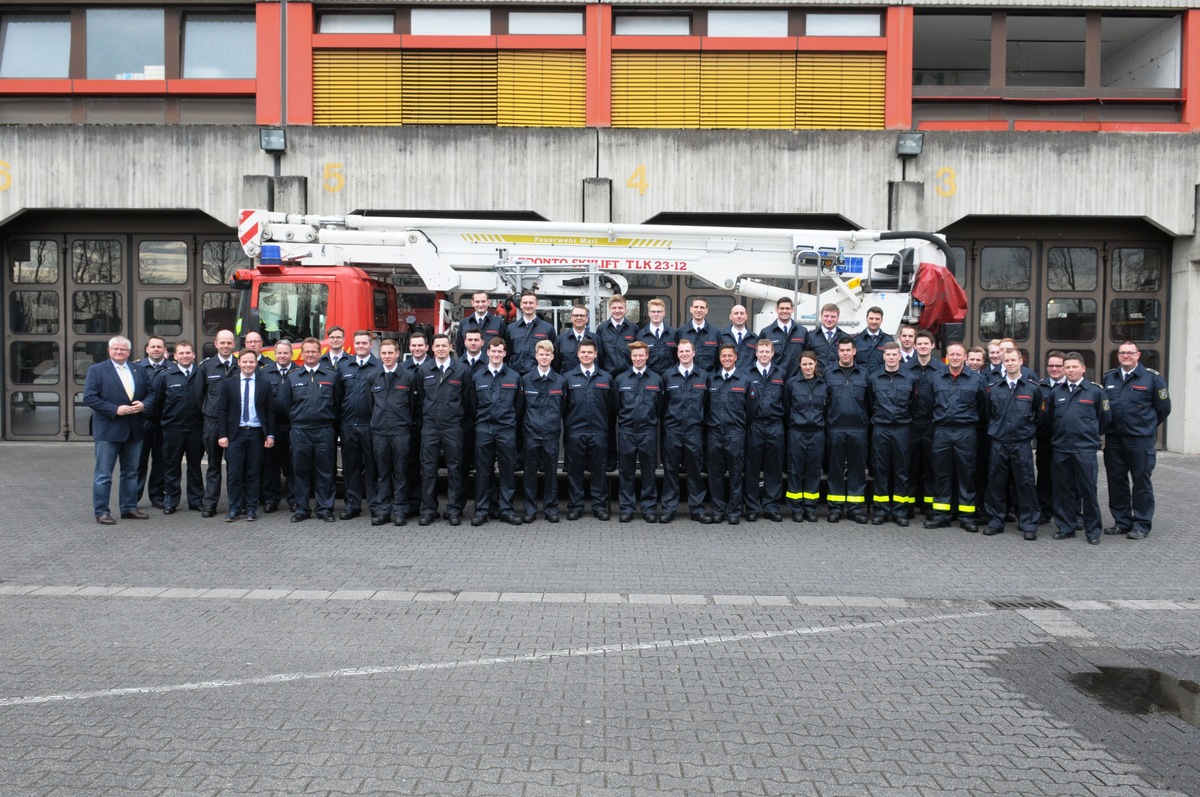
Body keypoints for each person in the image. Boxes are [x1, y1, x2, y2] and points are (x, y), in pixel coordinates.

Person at [1102, 341, 1171, 539]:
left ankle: (1141, 524)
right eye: (1122, 353)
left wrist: (1146, 426)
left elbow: (1163, 408)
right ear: (1118, 355)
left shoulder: (1152, 378)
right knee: (1116, 481)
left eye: (1130, 353)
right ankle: (1122, 521)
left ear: (1138, 355)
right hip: (1114, 438)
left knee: (1141, 482)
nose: (1126, 356)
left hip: (1139, 440)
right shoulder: (1109, 377)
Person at [1045, 352, 1112, 545]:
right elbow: (1049, 418)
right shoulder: (1056, 392)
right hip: (1061, 449)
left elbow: (1105, 419)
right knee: (1062, 490)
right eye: (1068, 367)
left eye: (1075, 367)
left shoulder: (1095, 391)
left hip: (1084, 449)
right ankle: (1066, 527)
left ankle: (1092, 531)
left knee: (1088, 490)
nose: (1071, 370)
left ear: (1083, 368)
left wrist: (1089, 435)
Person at [83, 335, 151, 525]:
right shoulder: (96, 370)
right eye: (115, 349)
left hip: (134, 429)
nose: (119, 352)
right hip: (108, 430)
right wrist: (115, 409)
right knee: (104, 475)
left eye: (123, 349)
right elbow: (89, 397)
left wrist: (144, 404)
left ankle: (129, 508)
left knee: (131, 473)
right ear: (109, 350)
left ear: (129, 352)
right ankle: (102, 512)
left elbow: (151, 393)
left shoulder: (139, 370)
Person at [982, 348, 1044, 540]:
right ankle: (995, 521)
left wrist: (1027, 432)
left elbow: (1040, 417)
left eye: (1012, 360)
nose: (1009, 363)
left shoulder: (1033, 388)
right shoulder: (994, 388)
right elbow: (988, 414)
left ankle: (1029, 523)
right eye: (1006, 360)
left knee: (1025, 483)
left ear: (1020, 361)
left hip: (1021, 443)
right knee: (996, 483)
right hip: (999, 442)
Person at [925, 342, 987, 533]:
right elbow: (929, 404)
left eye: (959, 354)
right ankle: (942, 515)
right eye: (951, 354)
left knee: (966, 474)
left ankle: (966, 516)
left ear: (965, 358)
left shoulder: (977, 380)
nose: (955, 357)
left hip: (966, 431)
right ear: (946, 357)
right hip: (942, 431)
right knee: (941, 473)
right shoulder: (936, 378)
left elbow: (984, 408)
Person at [281, 337, 342, 522]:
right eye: (306, 351)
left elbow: (337, 403)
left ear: (320, 353)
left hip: (324, 430)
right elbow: (287, 405)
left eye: (313, 351)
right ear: (302, 353)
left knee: (325, 471)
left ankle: (324, 509)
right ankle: (302, 509)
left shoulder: (331, 375)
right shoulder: (292, 377)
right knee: (300, 471)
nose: (309, 354)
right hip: (300, 430)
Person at [216, 350, 276, 522]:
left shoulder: (264, 384)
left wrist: (270, 435)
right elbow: (222, 410)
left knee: (253, 473)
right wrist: (222, 434)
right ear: (239, 363)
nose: (248, 365)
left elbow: (270, 411)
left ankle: (251, 508)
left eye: (251, 362)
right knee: (234, 473)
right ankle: (234, 508)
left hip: (256, 433)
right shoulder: (229, 384)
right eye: (245, 362)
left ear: (256, 363)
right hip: (236, 434)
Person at [470, 336, 524, 526]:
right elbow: (472, 405)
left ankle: (506, 509)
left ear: (504, 353)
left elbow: (519, 406)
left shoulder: (514, 376)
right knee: (483, 472)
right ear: (488, 353)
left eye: (499, 351)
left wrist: (508, 421)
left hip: (506, 429)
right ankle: (482, 510)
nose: (496, 354)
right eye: (493, 351)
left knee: (507, 471)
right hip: (484, 428)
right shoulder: (477, 376)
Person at [418, 333, 470, 526]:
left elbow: (467, 399)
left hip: (452, 426)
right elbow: (419, 399)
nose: (440, 349)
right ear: (432, 348)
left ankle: (454, 510)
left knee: (455, 469)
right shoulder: (424, 370)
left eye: (444, 345)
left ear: (450, 347)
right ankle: (429, 510)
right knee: (429, 469)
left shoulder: (461, 370)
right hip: (430, 427)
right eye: (437, 345)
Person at [867, 342, 917, 527]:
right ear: (883, 356)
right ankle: (880, 511)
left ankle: (900, 511)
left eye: (894, 354)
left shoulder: (910, 378)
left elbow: (914, 404)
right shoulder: (874, 378)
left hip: (902, 429)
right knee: (880, 470)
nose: (891, 357)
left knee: (901, 471)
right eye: (888, 354)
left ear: (899, 356)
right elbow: (870, 403)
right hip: (881, 429)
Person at [563, 339, 614, 521]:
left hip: (599, 431)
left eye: (589, 352)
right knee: (575, 471)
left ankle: (598, 506)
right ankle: (575, 506)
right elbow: (563, 406)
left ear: (595, 354)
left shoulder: (606, 378)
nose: (586, 355)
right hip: (575, 432)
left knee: (599, 471)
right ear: (578, 354)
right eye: (583, 352)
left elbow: (611, 406)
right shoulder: (568, 378)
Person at [369, 338, 418, 526]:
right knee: (382, 474)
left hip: (401, 431)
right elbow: (370, 404)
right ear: (380, 355)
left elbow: (413, 406)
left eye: (391, 353)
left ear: (398, 353)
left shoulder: (408, 377)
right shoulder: (373, 377)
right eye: (384, 353)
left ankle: (399, 511)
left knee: (401, 472)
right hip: (380, 432)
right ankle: (383, 511)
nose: (387, 356)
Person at [614, 341, 664, 523]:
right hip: (627, 431)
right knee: (626, 471)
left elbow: (660, 407)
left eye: (641, 355)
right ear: (630, 357)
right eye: (635, 355)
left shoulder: (657, 379)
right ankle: (627, 508)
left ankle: (649, 508)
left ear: (647, 356)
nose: (638, 358)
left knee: (649, 471)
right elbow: (616, 406)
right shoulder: (620, 379)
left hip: (648, 431)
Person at [661, 339, 710, 524]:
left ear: (694, 353)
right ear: (677, 354)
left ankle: (697, 509)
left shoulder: (704, 376)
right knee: (670, 471)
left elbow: (707, 404)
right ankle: (669, 509)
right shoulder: (668, 376)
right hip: (673, 430)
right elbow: (662, 405)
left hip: (694, 431)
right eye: (681, 351)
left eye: (687, 351)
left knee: (694, 471)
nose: (684, 354)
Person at [707, 343, 755, 525]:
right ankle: (718, 510)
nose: (726, 358)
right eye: (723, 356)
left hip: (735, 433)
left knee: (736, 474)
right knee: (715, 474)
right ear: (719, 358)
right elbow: (706, 407)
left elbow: (751, 409)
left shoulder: (744, 380)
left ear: (736, 357)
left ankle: (734, 511)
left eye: (730, 356)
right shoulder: (712, 380)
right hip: (715, 433)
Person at [153, 340, 204, 515]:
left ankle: (196, 500)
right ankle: (171, 501)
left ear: (193, 355)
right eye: (181, 353)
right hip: (173, 429)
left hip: (196, 428)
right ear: (175, 356)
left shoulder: (200, 374)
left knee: (195, 467)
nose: (185, 356)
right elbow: (158, 403)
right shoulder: (165, 376)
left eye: (188, 353)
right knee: (171, 466)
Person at [337, 330, 382, 520]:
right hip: (348, 424)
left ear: (371, 345)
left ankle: (374, 505)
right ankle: (352, 505)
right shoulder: (344, 366)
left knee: (373, 468)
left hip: (370, 424)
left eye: (364, 343)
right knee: (350, 467)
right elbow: (337, 396)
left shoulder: (378, 366)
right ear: (353, 345)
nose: (361, 346)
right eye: (358, 343)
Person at [520, 340, 567, 522]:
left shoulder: (560, 381)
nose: (544, 357)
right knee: (530, 473)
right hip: (531, 434)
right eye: (541, 354)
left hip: (551, 434)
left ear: (552, 357)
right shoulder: (526, 380)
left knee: (551, 474)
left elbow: (563, 407)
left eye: (548, 354)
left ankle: (551, 509)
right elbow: (520, 408)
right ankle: (530, 510)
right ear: (536, 356)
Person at [825, 338, 870, 523]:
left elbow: (870, 402)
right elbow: (824, 402)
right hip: (835, 428)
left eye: (847, 350)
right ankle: (835, 508)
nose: (844, 353)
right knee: (835, 469)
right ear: (838, 352)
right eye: (841, 350)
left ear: (854, 352)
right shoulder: (828, 374)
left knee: (857, 470)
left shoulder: (864, 374)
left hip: (858, 429)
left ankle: (855, 508)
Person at [196, 329, 238, 517]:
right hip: (212, 423)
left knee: (234, 467)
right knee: (213, 465)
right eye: (222, 343)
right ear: (216, 344)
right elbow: (199, 396)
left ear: (234, 345)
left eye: (229, 343)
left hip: (235, 424)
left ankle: (235, 504)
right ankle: (210, 504)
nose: (226, 346)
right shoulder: (206, 367)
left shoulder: (241, 365)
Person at [744, 338, 786, 522]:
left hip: (775, 425)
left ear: (772, 353)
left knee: (774, 468)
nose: (764, 355)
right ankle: (752, 507)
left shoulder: (781, 374)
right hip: (754, 425)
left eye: (767, 352)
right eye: (761, 351)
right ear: (756, 353)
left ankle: (771, 506)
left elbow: (787, 401)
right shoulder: (746, 373)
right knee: (752, 467)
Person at [907, 329, 944, 516]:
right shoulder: (906, 369)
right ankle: (910, 504)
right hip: (911, 425)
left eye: (925, 343)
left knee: (931, 466)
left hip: (932, 425)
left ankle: (928, 505)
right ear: (914, 346)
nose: (922, 346)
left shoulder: (940, 369)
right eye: (919, 344)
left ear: (932, 345)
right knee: (910, 466)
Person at [134, 335, 169, 508]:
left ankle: (157, 495)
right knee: (138, 460)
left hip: (163, 422)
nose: (156, 349)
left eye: (159, 347)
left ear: (164, 350)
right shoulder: (136, 368)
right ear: (147, 349)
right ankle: (134, 496)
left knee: (160, 461)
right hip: (142, 421)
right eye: (153, 346)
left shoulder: (172, 368)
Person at [260, 340, 295, 513]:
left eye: (285, 353)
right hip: (271, 428)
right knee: (270, 466)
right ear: (275, 354)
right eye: (279, 353)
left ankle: (294, 500)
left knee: (292, 466)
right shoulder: (265, 373)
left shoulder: (298, 372)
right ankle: (271, 500)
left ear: (292, 354)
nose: (282, 356)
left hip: (292, 427)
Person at [1035, 350, 1066, 525]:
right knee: (1045, 477)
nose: (1054, 369)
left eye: (1058, 366)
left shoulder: (1072, 386)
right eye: (1051, 365)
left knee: (1068, 478)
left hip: (1067, 441)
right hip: (1045, 441)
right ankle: (1045, 511)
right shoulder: (1039, 387)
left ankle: (1071, 513)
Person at [403, 331, 431, 519]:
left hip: (430, 422)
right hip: (409, 422)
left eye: (420, 345)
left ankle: (430, 503)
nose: (417, 348)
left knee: (430, 465)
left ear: (427, 347)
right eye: (413, 345)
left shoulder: (435, 366)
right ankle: (413, 502)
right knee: (411, 463)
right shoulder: (402, 368)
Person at [506, 290, 555, 376]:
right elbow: (507, 354)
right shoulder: (511, 328)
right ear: (520, 305)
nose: (528, 305)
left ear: (537, 304)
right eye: (525, 303)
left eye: (531, 303)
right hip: (516, 375)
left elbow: (555, 355)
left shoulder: (548, 328)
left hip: (539, 376)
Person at [758, 297, 805, 377]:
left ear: (792, 310)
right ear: (776, 310)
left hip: (796, 379)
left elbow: (807, 355)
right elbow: (759, 357)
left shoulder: (802, 332)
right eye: (782, 308)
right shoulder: (766, 332)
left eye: (787, 308)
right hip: (773, 378)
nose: (784, 311)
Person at [634, 298, 677, 376]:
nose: (656, 314)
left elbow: (677, 358)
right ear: (649, 313)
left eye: (659, 311)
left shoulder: (673, 334)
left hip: (669, 377)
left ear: (664, 313)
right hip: (648, 378)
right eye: (653, 311)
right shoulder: (641, 335)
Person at [676, 297, 720, 374]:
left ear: (706, 310)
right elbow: (675, 357)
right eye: (696, 307)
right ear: (691, 309)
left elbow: (718, 359)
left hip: (709, 379)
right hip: (686, 378)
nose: (699, 310)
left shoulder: (715, 333)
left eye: (702, 307)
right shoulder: (680, 332)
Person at [555, 304, 603, 374]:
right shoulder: (561, 339)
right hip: (568, 382)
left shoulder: (596, 339)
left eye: (582, 315)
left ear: (587, 319)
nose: (579, 318)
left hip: (591, 381)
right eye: (576, 315)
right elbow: (556, 364)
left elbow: (601, 362)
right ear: (571, 318)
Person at [455, 291, 507, 356]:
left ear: (488, 302)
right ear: (472, 303)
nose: (480, 304)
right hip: (469, 365)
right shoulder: (464, 323)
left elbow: (504, 346)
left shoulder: (499, 323)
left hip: (490, 364)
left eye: (483, 301)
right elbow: (460, 347)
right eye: (477, 302)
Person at [597, 294, 636, 378]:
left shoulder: (633, 328)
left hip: (628, 375)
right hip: (607, 375)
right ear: (609, 309)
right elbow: (599, 354)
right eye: (614, 308)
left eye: (620, 308)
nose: (617, 311)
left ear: (625, 309)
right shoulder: (602, 328)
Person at [804, 303, 849, 371]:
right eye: (826, 316)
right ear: (821, 317)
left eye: (833, 316)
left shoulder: (845, 338)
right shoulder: (810, 336)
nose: (829, 319)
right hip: (817, 378)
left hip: (837, 378)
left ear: (838, 318)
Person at [853, 307, 893, 375]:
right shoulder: (856, 340)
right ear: (866, 319)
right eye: (871, 318)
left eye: (877, 319)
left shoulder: (888, 340)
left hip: (882, 380)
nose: (874, 321)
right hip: (861, 381)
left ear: (881, 320)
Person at [720, 304, 758, 371]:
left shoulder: (754, 338)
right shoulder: (721, 336)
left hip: (748, 379)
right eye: (736, 313)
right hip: (727, 378)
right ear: (730, 316)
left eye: (742, 313)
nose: (739, 316)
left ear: (746, 316)